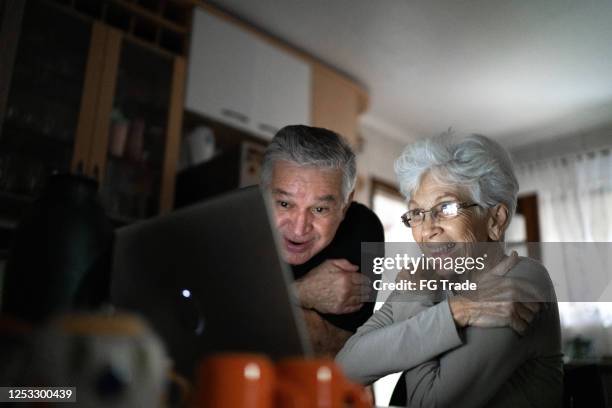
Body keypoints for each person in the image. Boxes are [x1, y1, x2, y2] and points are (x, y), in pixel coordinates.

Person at [336, 133, 563, 407]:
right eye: (417, 213)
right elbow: (345, 369)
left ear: (496, 219)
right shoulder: (428, 281)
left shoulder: (522, 282)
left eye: (447, 207)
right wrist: (453, 312)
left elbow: (428, 403)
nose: (428, 229)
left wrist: (415, 300)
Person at [260, 125, 383, 356]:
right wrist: (300, 293)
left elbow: (332, 348)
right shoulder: (234, 216)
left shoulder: (363, 226)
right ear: (262, 192)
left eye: (319, 209)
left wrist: (257, 303)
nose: (299, 228)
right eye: (285, 204)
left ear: (345, 206)